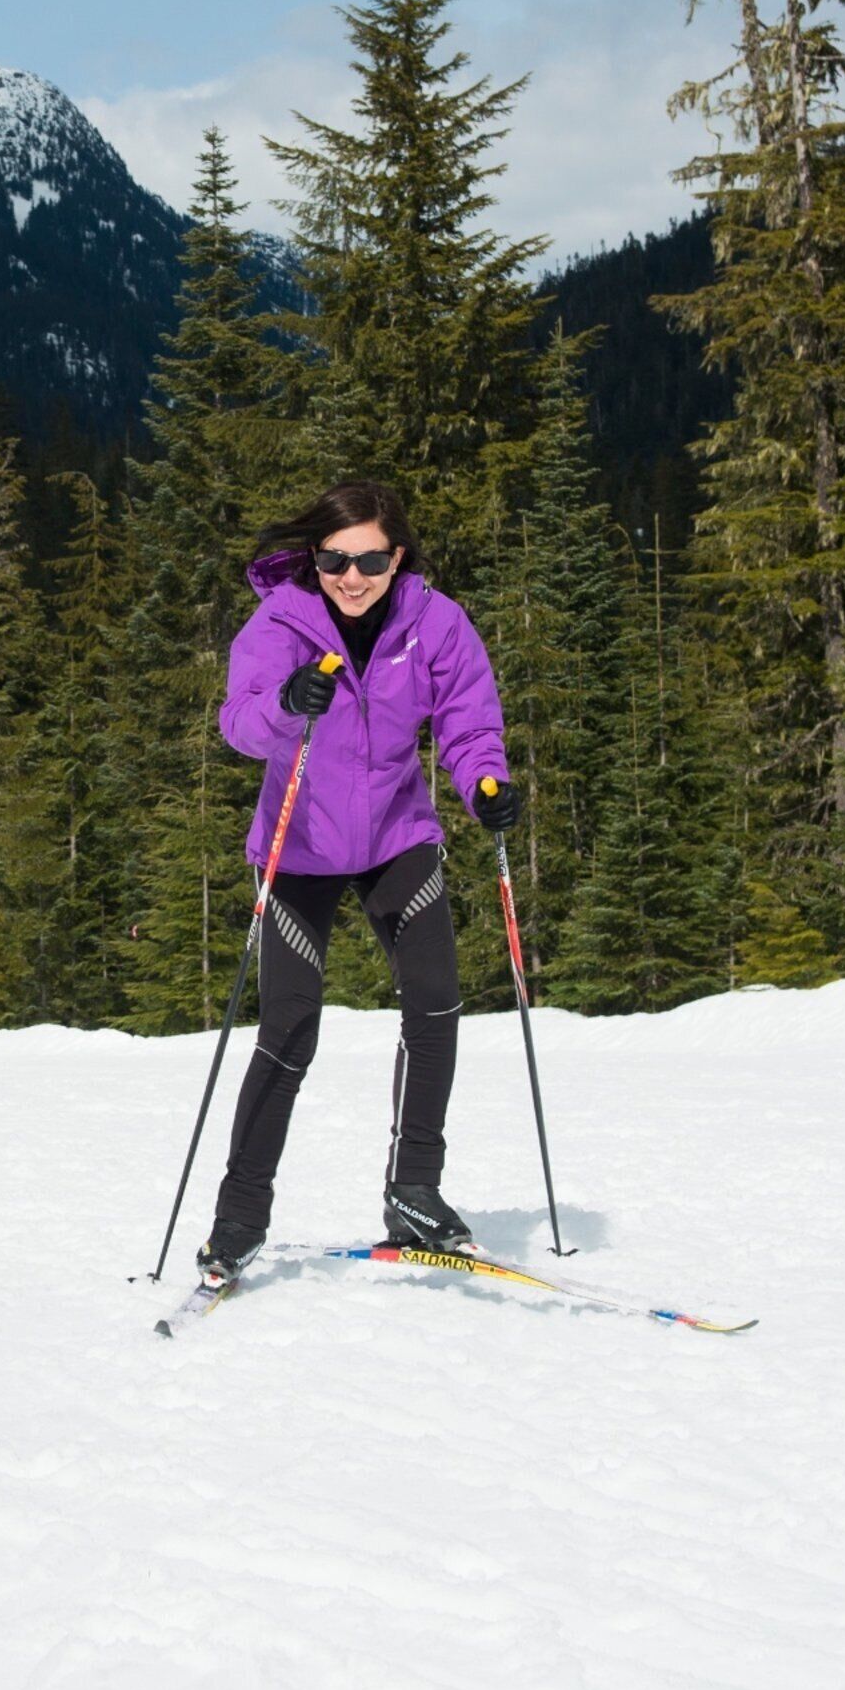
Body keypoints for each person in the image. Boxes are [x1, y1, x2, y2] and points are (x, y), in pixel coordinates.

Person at [203, 478, 524, 1281]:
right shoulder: (282, 621)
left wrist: (484, 784)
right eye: (335, 559)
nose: (352, 576)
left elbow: (468, 719)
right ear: (314, 559)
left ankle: (415, 1191)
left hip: (395, 835)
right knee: (289, 1030)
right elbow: (238, 723)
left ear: (398, 557)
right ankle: (239, 1219)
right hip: (299, 843)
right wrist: (284, 702)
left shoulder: (435, 622)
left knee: (436, 1002)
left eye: (371, 559)